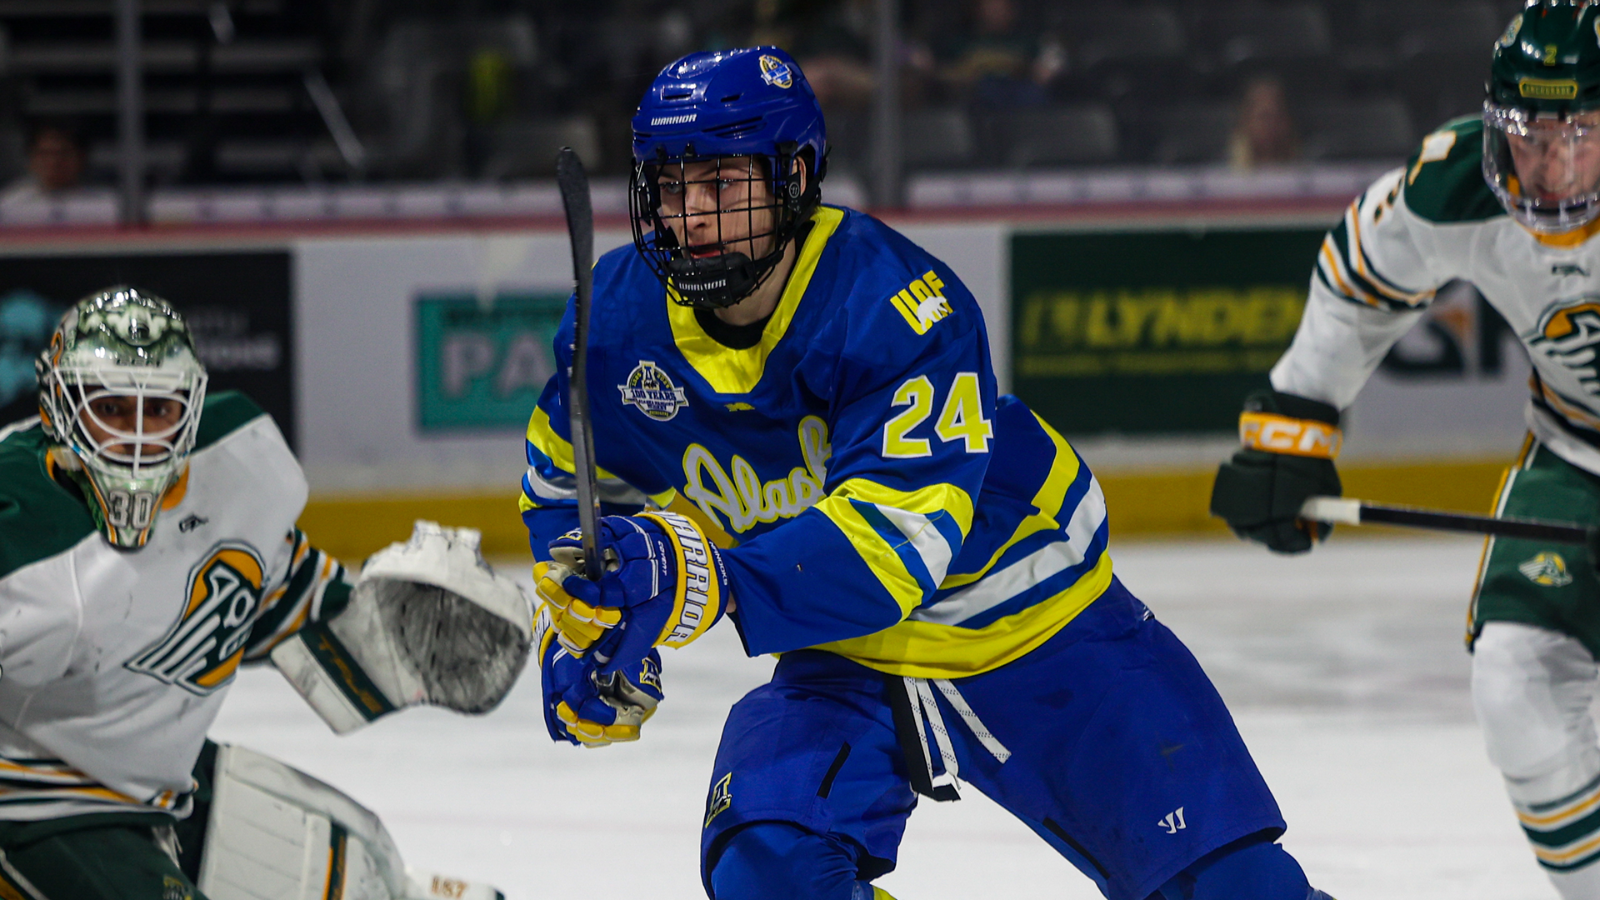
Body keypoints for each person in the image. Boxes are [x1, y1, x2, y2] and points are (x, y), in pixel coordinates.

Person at [523, 46, 1335, 900]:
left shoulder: (893, 303)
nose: (690, 215)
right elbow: (565, 483)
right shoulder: (617, 322)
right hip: (844, 656)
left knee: (1240, 893)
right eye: (670, 186)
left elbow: (896, 549)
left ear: (792, 178)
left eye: (721, 184)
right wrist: (580, 631)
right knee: (767, 868)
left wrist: (705, 580)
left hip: (1032, 622)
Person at [1209, 2, 1600, 896]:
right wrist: (1294, 428)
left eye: (1577, 138)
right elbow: (1360, 275)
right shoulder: (1454, 185)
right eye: (1529, 138)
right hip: (1576, 456)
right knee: (1514, 679)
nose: (1547, 169)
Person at [0, 288, 528, 899]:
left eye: (159, 409)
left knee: (364, 870)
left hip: (152, 782)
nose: (137, 436)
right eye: (112, 408)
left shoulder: (234, 468)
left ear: (191, 408)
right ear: (60, 410)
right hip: (31, 810)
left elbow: (272, 596)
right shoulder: (19, 529)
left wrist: (390, 630)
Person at [1228, 76, 1301, 170]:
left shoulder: (1310, 173)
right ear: (1246, 121)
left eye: (1278, 117)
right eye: (1264, 117)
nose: (1272, 124)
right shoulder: (1221, 175)